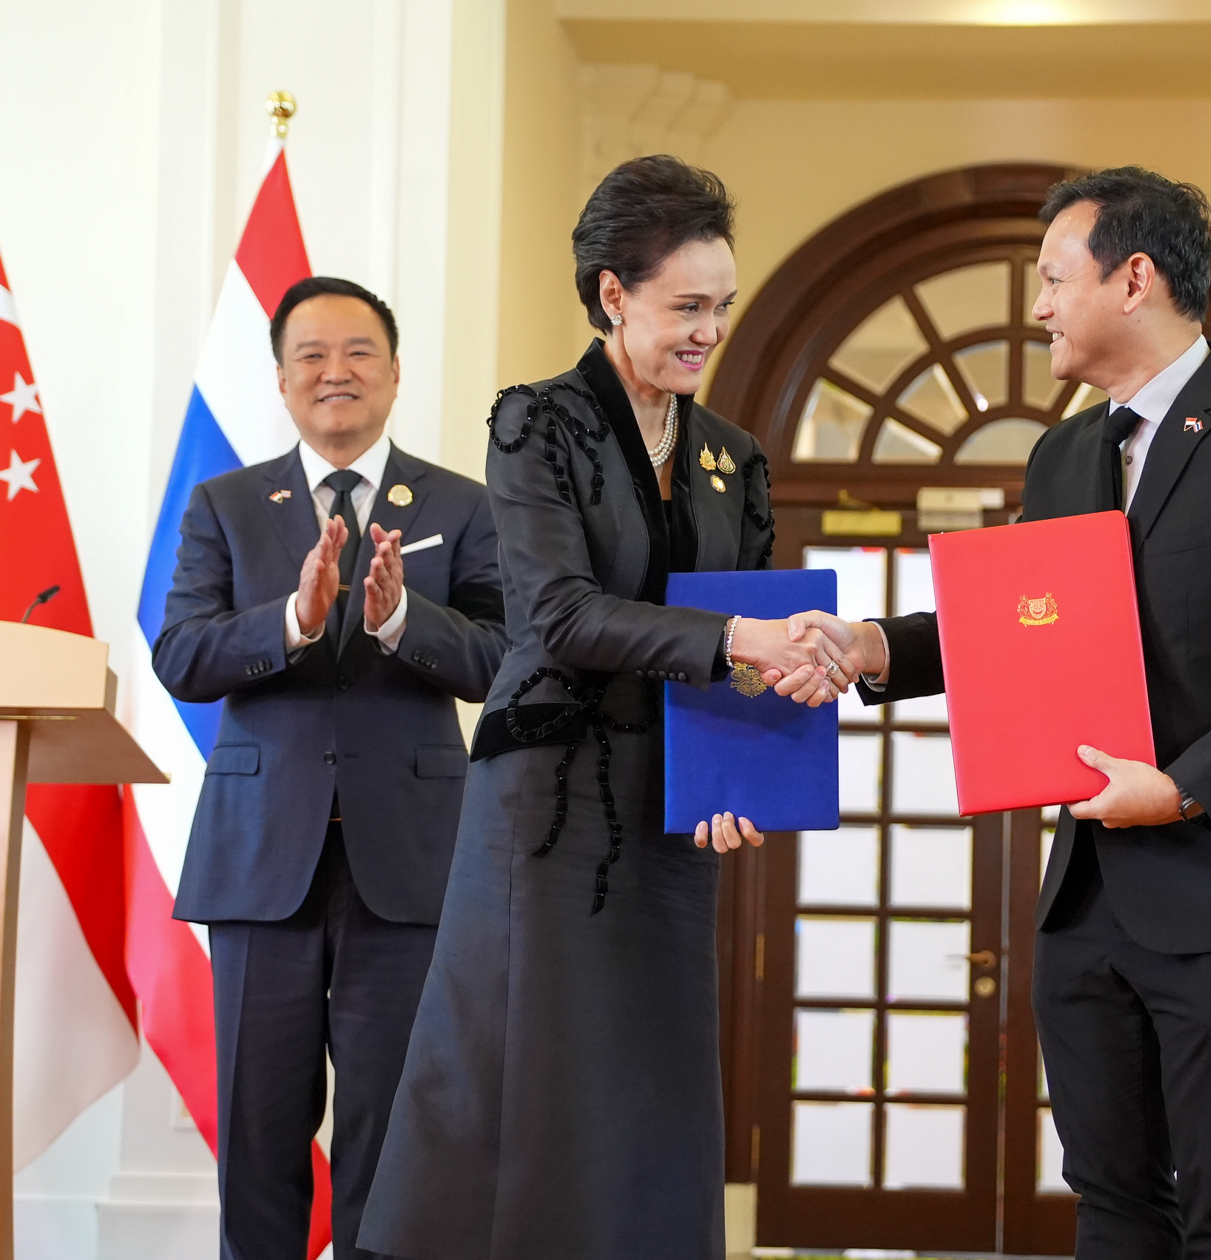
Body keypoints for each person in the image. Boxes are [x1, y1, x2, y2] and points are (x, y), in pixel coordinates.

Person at [786, 167, 1211, 1259]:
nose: (1040, 306)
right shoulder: (1064, 453)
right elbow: (1019, 625)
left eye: (1055, 279)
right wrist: (875, 647)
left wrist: (1183, 787)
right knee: (1111, 1202)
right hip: (1091, 897)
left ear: (1134, 278)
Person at [359, 156, 845, 1260]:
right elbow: (560, 614)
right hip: (550, 804)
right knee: (528, 1078)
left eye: (723, 305)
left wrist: (740, 777)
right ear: (613, 294)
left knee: (652, 1080)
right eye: (688, 307)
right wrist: (737, 642)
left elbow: (750, 639)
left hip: (674, 808)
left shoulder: (734, 458)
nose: (710, 331)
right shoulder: (537, 423)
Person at [152, 275, 510, 1260]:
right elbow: (180, 654)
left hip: (409, 863)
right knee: (258, 1133)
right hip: (260, 862)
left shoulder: (462, 505)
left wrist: (400, 620)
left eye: (358, 352)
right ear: (281, 380)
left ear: (394, 374)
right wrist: (292, 620)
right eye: (311, 355)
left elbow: (502, 657)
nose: (335, 372)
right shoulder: (226, 504)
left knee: (392, 1137)